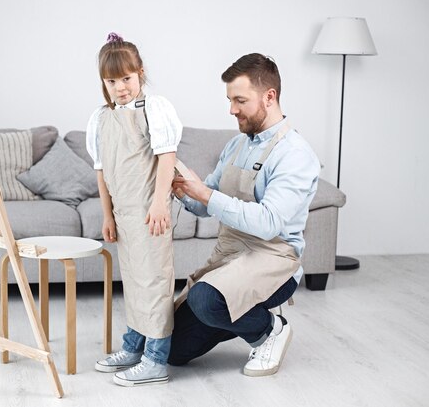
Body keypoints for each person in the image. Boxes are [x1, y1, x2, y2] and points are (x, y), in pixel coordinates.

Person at [168, 53, 321, 377]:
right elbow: (204, 200)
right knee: (173, 351)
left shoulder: (295, 154)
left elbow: (268, 223)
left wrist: (206, 194)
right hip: (230, 256)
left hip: (274, 259)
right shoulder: (236, 145)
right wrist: (181, 187)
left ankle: (270, 329)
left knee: (205, 298)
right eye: (229, 100)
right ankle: (234, 313)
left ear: (270, 96)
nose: (231, 109)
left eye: (240, 100)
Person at [86, 32, 183, 386]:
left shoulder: (154, 109)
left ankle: (156, 358)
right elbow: (102, 170)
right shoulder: (101, 118)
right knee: (134, 279)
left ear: (140, 72)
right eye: (111, 81)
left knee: (154, 279)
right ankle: (134, 345)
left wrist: (160, 203)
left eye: (126, 78)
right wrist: (107, 214)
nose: (120, 88)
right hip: (123, 212)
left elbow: (166, 156)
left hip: (148, 208)